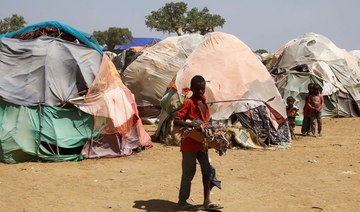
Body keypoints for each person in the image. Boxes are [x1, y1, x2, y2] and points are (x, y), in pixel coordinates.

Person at [174, 75, 223, 211]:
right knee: (189, 173)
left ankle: (207, 201)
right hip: (189, 145)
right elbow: (176, 120)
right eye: (197, 89)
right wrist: (191, 125)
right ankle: (182, 202)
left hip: (202, 144)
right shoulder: (189, 103)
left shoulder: (204, 102)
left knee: (207, 171)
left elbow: (205, 122)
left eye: (202, 89)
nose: (200, 92)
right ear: (192, 89)